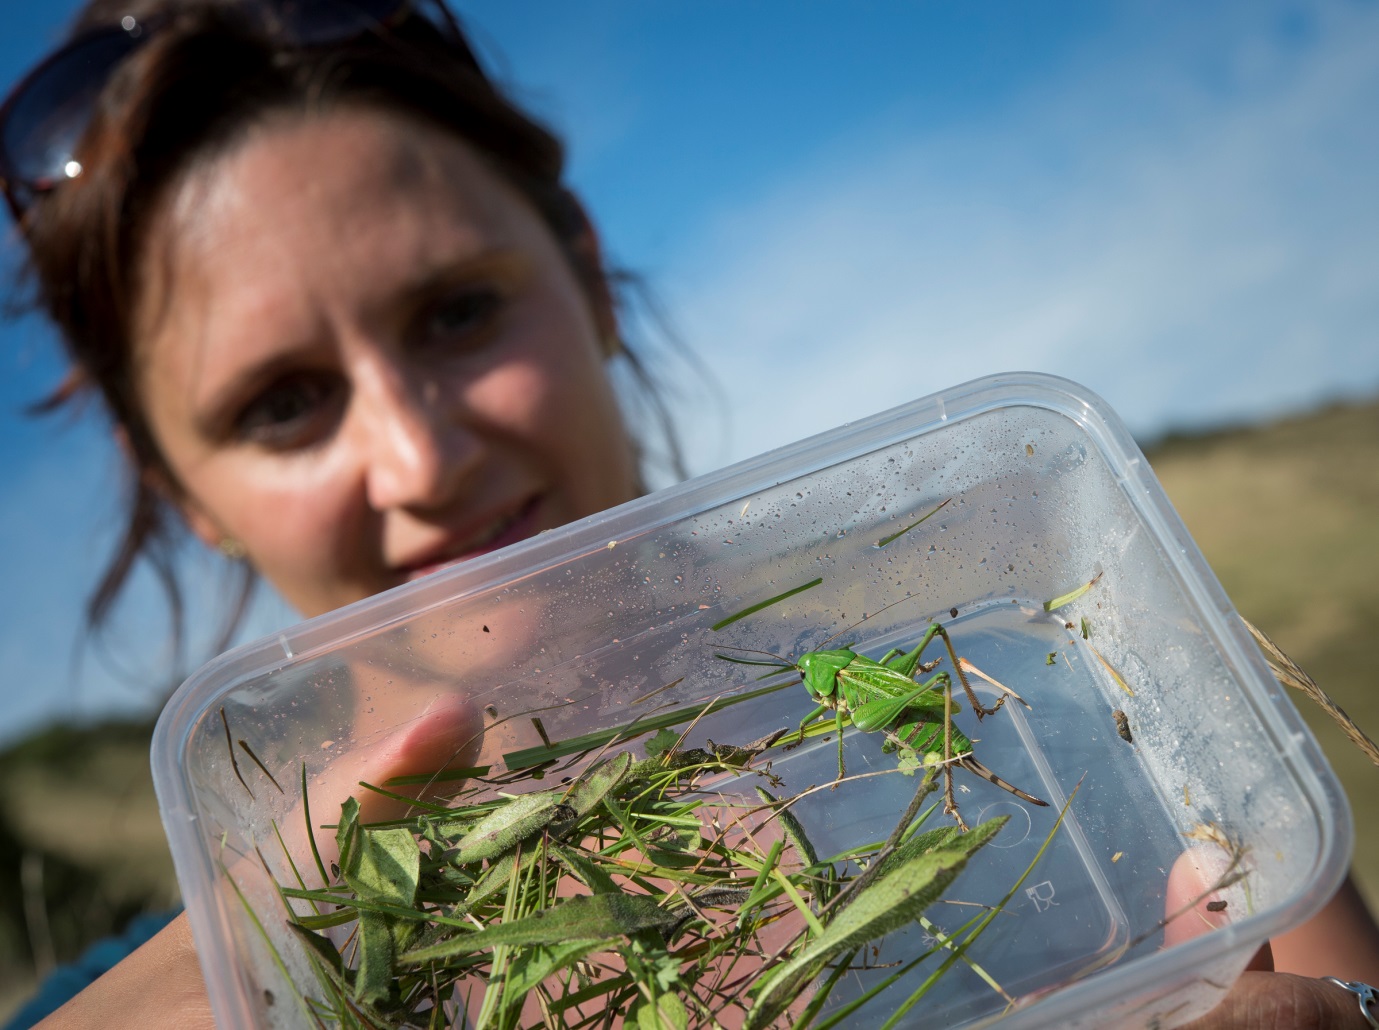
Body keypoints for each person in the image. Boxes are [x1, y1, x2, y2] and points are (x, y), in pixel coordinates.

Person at [1, 1, 1376, 1027]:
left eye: (459, 310)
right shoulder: (206, 995)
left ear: (589, 279)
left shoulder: (1050, 690)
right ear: (187, 492)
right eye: (282, 401)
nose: (418, 457)